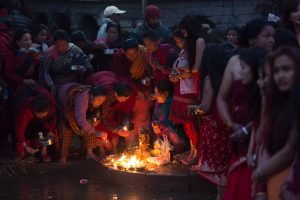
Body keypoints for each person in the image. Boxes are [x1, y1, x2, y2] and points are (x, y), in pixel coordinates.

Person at [217, 18, 275, 200]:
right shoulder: (235, 61)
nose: (272, 40)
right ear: (251, 39)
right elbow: (222, 97)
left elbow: (271, 107)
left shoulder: (276, 62)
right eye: (267, 36)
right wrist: (230, 123)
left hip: (266, 133)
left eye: (273, 36)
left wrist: (249, 128)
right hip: (238, 132)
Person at [187, 44, 235, 198]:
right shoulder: (230, 74)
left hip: (215, 127)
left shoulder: (210, 78)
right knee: (228, 167)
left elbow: (206, 106)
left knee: (220, 172)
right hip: (229, 124)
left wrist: (195, 109)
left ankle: (222, 197)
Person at [252, 47, 300, 200]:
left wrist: (259, 173)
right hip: (273, 180)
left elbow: (290, 150)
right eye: (277, 71)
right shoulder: (277, 103)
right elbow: (265, 142)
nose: (281, 75)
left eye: (286, 69)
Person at [169, 29, 200, 165]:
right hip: (180, 90)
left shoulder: (193, 53)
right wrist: (173, 76)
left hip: (189, 91)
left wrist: (180, 75)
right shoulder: (182, 53)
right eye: (176, 41)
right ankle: (193, 150)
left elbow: (194, 72)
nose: (178, 43)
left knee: (192, 123)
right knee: (187, 124)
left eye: (179, 40)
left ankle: (198, 152)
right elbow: (177, 71)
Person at [58, 82, 108, 163]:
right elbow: (80, 119)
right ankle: (63, 156)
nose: (100, 103)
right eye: (99, 100)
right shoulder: (82, 99)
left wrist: (94, 124)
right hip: (66, 101)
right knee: (66, 127)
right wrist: (96, 132)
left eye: (102, 101)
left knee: (90, 125)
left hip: (80, 108)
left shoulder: (93, 99)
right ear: (91, 96)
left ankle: (89, 153)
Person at [40, 29, 93, 95]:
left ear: (68, 43)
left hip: (74, 82)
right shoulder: (50, 53)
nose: (60, 48)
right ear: (54, 43)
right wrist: (51, 85)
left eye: (63, 46)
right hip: (57, 84)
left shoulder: (74, 49)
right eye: (57, 46)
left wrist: (82, 69)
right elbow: (45, 72)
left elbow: (86, 64)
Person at [15, 84, 57, 162]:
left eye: (42, 114)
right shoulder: (26, 112)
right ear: (34, 110)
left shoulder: (51, 110)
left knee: (46, 133)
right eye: (39, 114)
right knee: (24, 133)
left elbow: (53, 121)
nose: (40, 116)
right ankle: (21, 152)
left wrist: (50, 131)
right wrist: (25, 146)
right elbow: (20, 129)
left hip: (41, 124)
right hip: (28, 124)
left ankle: (44, 152)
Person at [151, 79, 185, 154]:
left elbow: (172, 124)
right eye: (155, 93)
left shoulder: (172, 104)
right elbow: (156, 118)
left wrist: (159, 125)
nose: (156, 96)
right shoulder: (160, 103)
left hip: (177, 139)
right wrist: (155, 125)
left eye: (158, 93)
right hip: (166, 138)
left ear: (166, 93)